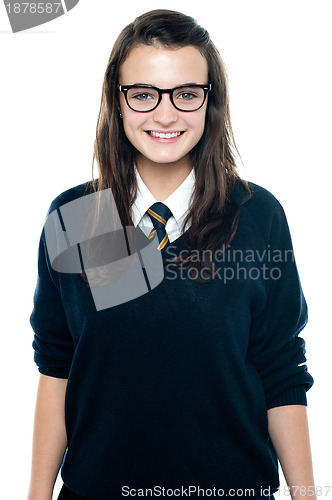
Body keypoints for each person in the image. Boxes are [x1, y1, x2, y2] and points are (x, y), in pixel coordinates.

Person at [28, 9, 316, 500]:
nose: (166, 115)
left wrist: (307, 495)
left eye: (186, 94)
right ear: (117, 103)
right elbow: (58, 365)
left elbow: (280, 366)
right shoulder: (78, 216)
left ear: (210, 103)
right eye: (143, 95)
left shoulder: (255, 215)